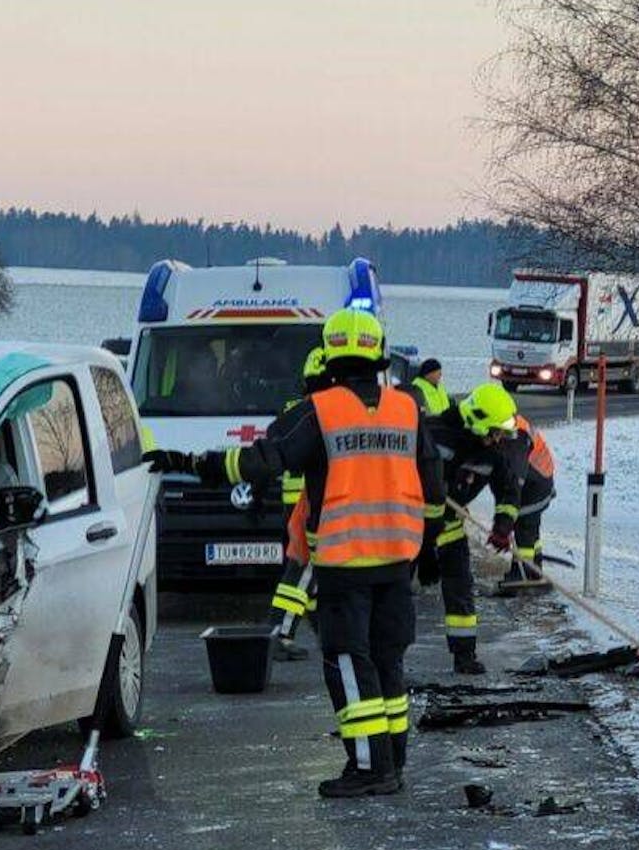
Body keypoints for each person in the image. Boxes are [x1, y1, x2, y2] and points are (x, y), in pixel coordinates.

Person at [145, 309, 444, 798]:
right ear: (378, 352)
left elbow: (258, 461)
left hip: (346, 562)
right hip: (397, 561)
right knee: (389, 661)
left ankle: (371, 768)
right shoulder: (407, 408)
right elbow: (433, 486)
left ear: (330, 356)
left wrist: (190, 463)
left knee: (349, 659)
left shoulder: (319, 409)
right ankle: (393, 760)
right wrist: (429, 550)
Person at [421, 383, 530, 674]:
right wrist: (424, 550)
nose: (498, 439)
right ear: (477, 422)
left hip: (451, 527)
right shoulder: (432, 434)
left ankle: (464, 655)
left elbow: (509, 491)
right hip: (412, 529)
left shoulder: (492, 454)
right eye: (494, 432)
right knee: (394, 596)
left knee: (460, 587)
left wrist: (503, 527)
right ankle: (383, 660)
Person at [269, 347, 331, 661]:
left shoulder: (294, 407)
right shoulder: (324, 412)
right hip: (309, 505)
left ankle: (318, 630)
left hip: (294, 503)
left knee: (301, 571)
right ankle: (280, 632)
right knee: (305, 571)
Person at [496, 408, 555, 594]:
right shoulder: (512, 424)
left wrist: (504, 521)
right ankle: (534, 568)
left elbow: (514, 481)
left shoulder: (517, 438)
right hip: (540, 479)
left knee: (524, 528)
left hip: (535, 485)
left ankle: (520, 575)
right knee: (531, 531)